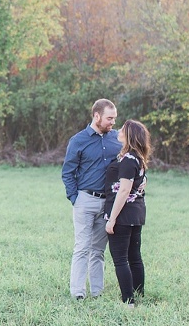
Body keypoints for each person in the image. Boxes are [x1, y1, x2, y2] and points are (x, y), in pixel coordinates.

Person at [61, 98, 121, 300]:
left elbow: (132, 161)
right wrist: (74, 198)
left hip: (108, 203)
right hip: (85, 201)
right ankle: (78, 292)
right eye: (109, 118)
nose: (112, 123)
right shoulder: (78, 140)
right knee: (82, 248)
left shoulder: (117, 139)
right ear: (97, 116)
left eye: (114, 118)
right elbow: (68, 172)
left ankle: (98, 292)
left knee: (98, 251)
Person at [104, 119, 150, 308]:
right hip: (136, 214)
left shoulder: (129, 159)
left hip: (123, 215)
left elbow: (124, 191)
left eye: (122, 129)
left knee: (121, 259)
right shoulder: (137, 158)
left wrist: (112, 219)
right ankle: (139, 295)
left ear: (129, 135)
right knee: (134, 257)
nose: (118, 130)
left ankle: (129, 301)